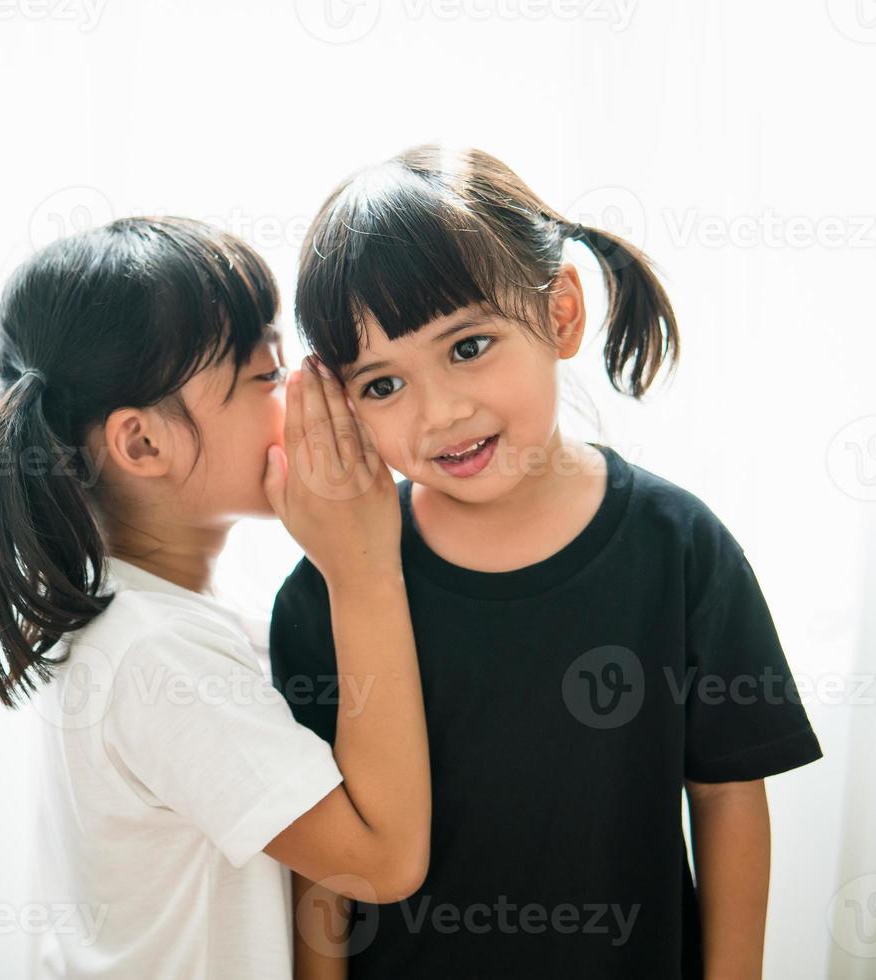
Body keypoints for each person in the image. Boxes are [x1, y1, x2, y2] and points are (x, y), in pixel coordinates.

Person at [272, 144, 823, 978]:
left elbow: (727, 793)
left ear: (561, 314)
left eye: (467, 347)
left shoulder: (679, 547)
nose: (442, 413)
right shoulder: (333, 590)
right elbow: (322, 860)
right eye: (383, 385)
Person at [0, 216, 430, 979]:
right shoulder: (157, 655)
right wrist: (362, 571)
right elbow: (380, 862)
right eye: (265, 377)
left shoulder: (143, 613)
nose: (309, 394)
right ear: (143, 444)